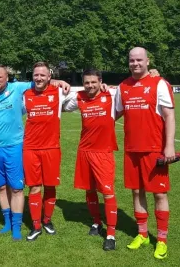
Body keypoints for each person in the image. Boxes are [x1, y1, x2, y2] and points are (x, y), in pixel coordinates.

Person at [0, 64, 70, 241]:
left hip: (15, 146)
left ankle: (19, 225)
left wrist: (57, 80)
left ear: (7, 78)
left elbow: (41, 82)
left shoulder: (18, 88)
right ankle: (8, 222)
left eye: (0, 77)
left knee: (18, 187)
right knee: (2, 187)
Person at [114, 47, 177, 260]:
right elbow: (115, 113)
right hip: (132, 150)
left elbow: (169, 116)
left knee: (159, 194)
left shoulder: (159, 83)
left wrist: (169, 146)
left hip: (154, 150)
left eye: (139, 60)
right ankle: (142, 234)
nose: (135, 64)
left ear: (147, 61)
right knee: (136, 192)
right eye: (132, 60)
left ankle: (161, 239)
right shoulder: (123, 86)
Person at [62, 68, 118, 251]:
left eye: (94, 82)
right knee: (90, 189)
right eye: (87, 82)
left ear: (100, 80)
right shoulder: (79, 97)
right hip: (85, 150)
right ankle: (96, 222)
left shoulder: (111, 93)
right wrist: (56, 82)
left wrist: (153, 75)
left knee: (108, 192)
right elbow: (61, 105)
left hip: (103, 152)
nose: (90, 85)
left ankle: (111, 234)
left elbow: (129, 91)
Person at [22, 62, 67, 241]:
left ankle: (47, 220)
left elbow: (87, 92)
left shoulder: (59, 92)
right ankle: (36, 225)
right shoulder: (25, 95)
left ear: (49, 77)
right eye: (36, 75)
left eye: (43, 75)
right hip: (30, 149)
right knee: (34, 187)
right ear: (32, 77)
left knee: (50, 185)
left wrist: (105, 86)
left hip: (51, 148)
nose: (39, 78)